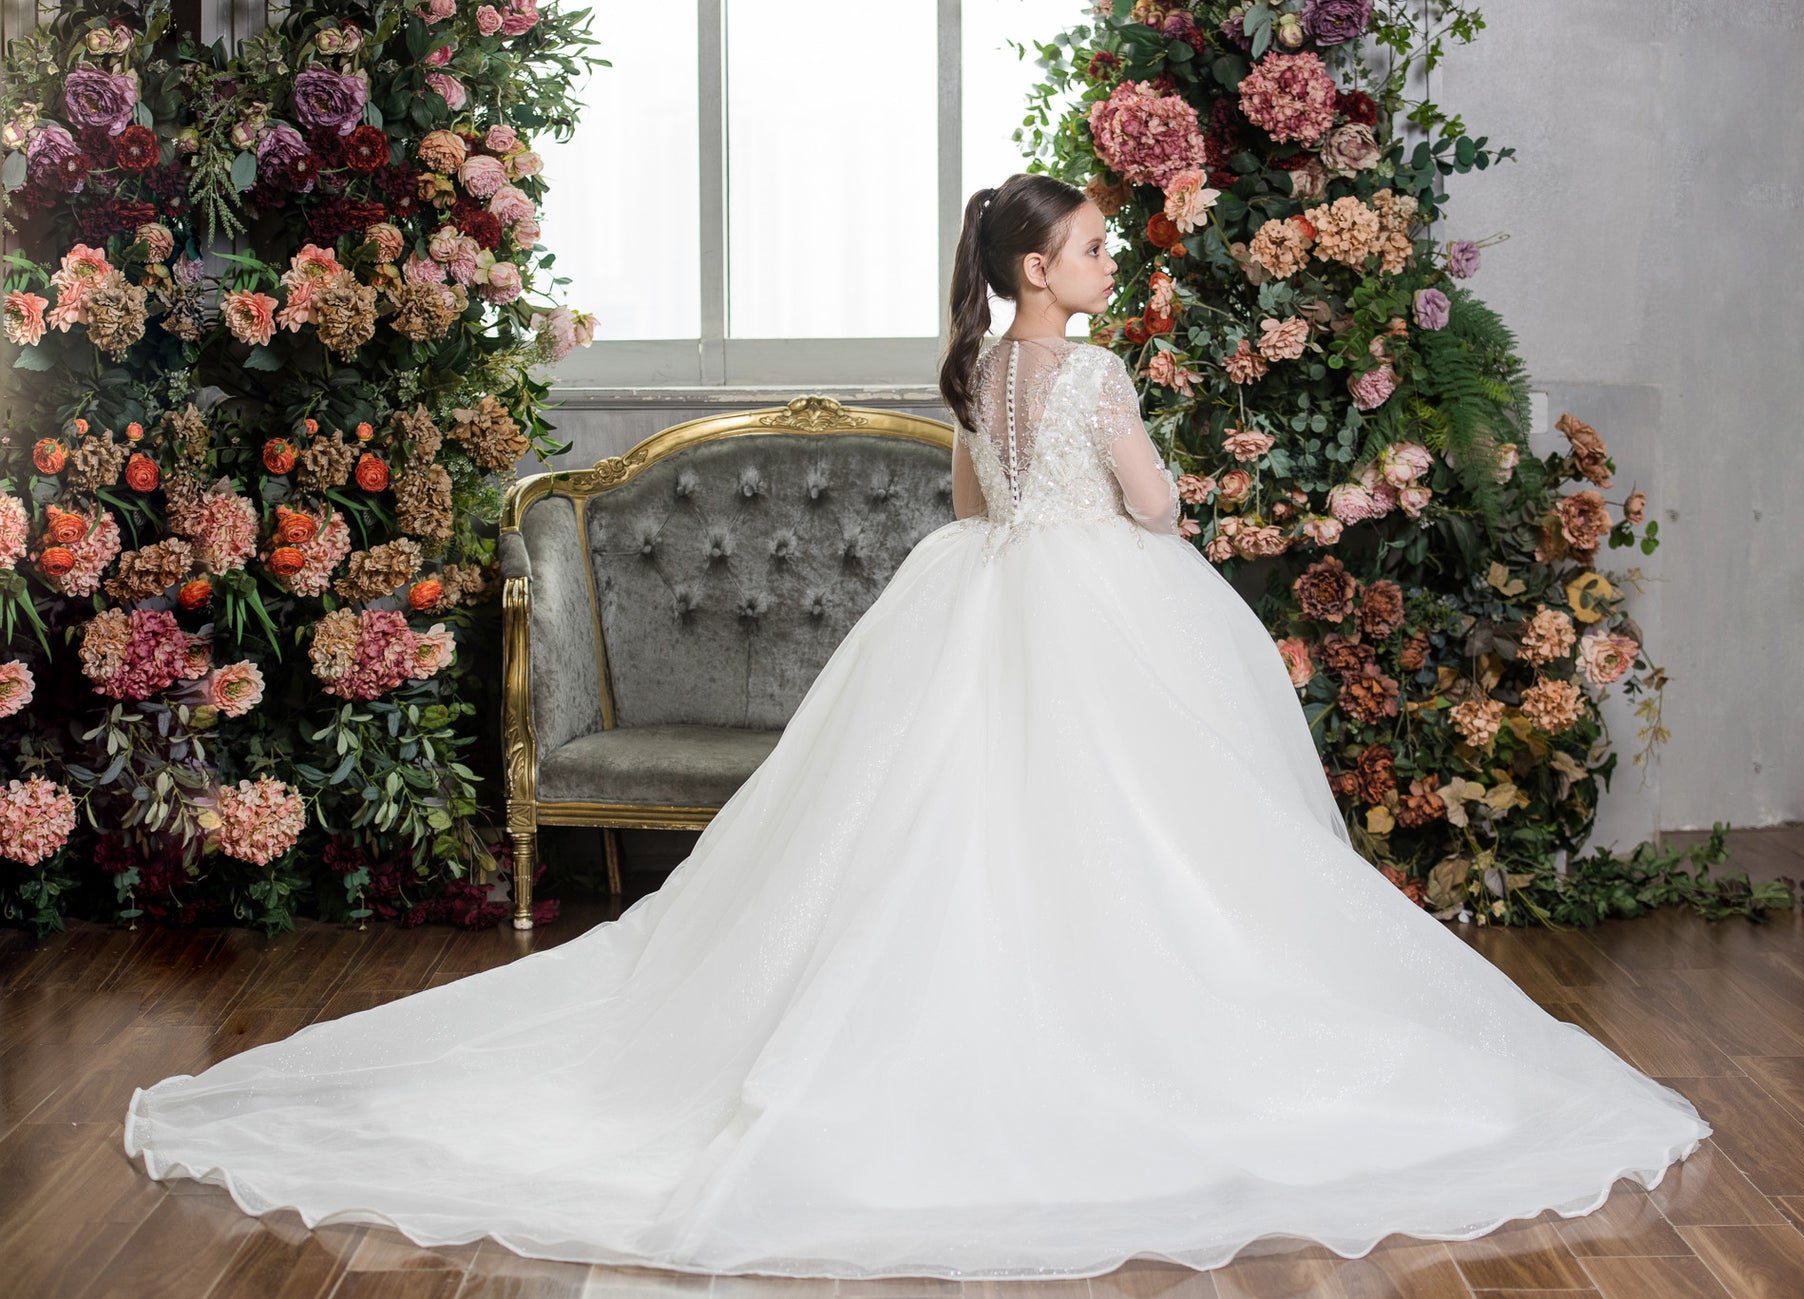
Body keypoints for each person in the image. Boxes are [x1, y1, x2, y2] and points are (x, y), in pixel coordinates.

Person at [123, 172, 1711, 1282]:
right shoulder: (1094, 377)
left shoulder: (971, 369)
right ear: (1040, 274)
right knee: (1142, 838)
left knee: (946, 833)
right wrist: (1169, 513)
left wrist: (1043, 519)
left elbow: (971, 501)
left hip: (981, 598)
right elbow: (1151, 509)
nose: (1107, 265)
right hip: (1099, 602)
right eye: (1090, 247)